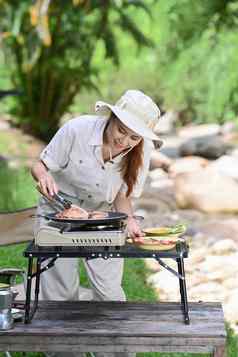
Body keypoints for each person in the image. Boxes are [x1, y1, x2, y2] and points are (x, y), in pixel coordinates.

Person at [31, 89, 161, 357]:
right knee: (60, 296)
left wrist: (130, 221)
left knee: (109, 293)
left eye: (134, 137)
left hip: (103, 219)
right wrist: (44, 178)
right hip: (58, 215)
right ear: (111, 117)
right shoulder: (77, 129)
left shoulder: (140, 150)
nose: (125, 141)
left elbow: (122, 197)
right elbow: (40, 165)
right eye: (121, 131)